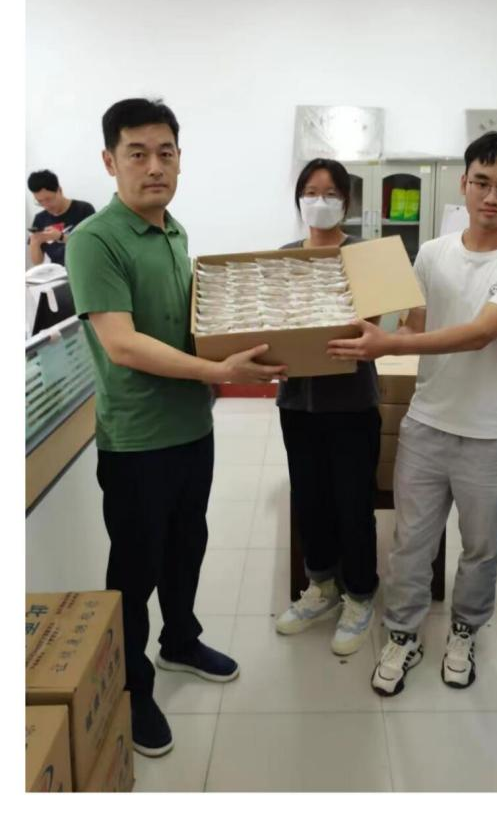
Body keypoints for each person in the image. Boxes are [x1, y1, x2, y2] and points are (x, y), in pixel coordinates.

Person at [65, 98, 285, 758]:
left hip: (192, 427)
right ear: (110, 161)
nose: (154, 166)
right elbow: (123, 344)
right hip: (137, 440)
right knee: (135, 567)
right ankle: (131, 685)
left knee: (187, 544)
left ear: (180, 159)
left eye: (165, 152)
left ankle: (180, 640)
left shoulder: (175, 231)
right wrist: (216, 369)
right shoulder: (94, 239)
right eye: (137, 153)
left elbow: (186, 321)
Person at [328, 132, 497, 695]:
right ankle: (403, 634)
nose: (492, 197)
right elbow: (416, 326)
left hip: (491, 433)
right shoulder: (432, 253)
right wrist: (370, 323)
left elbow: (480, 334)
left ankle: (464, 630)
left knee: (480, 547)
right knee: (411, 543)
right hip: (427, 424)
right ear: (464, 183)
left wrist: (390, 344)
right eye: (482, 182)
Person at [273, 158, 381, 655]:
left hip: (352, 401)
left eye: (331, 193)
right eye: (311, 192)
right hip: (297, 402)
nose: (320, 202)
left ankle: (359, 595)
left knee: (353, 503)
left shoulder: (364, 256)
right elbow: (272, 320)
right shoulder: (282, 258)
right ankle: (321, 586)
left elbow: (377, 325)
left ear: (347, 202)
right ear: (299, 199)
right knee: (309, 498)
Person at [28, 169, 95, 267]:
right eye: (40, 202)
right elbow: (37, 262)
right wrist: (34, 242)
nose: (46, 206)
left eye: (49, 199)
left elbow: (92, 246)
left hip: (84, 268)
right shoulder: (40, 219)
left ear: (59, 190)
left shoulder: (84, 209)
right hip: (58, 272)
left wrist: (61, 237)